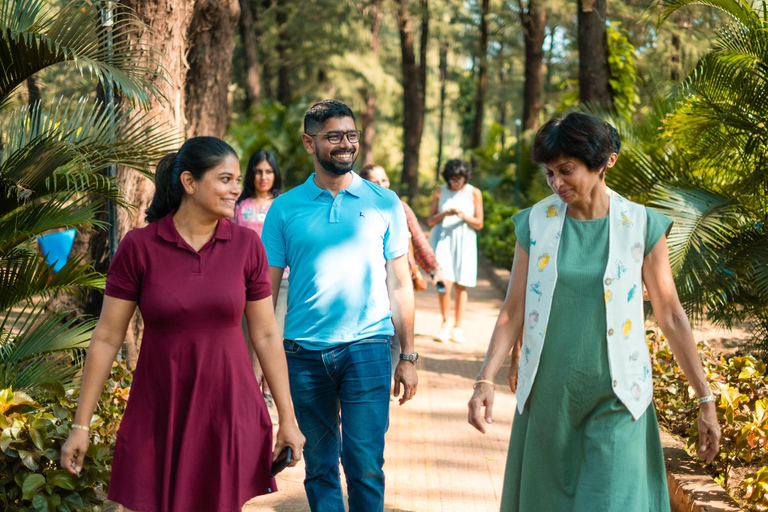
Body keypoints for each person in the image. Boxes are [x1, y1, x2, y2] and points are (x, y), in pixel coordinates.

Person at [468, 113, 721, 512]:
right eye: (550, 173)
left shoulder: (641, 225)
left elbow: (671, 316)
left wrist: (705, 398)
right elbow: (513, 310)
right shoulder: (536, 222)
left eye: (567, 170)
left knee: (613, 501)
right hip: (550, 397)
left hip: (619, 397)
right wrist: (485, 379)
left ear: (606, 162)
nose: (557, 183)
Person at [60, 137, 305, 512]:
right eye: (225, 179)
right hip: (160, 409)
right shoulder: (139, 247)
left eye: (237, 180)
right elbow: (107, 337)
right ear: (189, 182)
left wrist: (287, 418)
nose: (236, 189)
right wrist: (81, 425)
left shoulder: (247, 246)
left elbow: (267, 334)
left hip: (227, 409)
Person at [261, 100, 418, 512]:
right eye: (334, 136)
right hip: (302, 352)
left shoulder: (385, 202)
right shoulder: (284, 208)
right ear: (308, 142)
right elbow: (265, 291)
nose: (346, 145)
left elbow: (400, 282)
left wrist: (410, 355)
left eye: (351, 136)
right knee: (319, 465)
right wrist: (262, 360)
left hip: (368, 347)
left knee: (365, 464)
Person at [358, 163, 445, 376]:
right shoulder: (358, 208)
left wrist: (434, 268)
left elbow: (418, 238)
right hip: (370, 284)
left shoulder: (399, 206)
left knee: (397, 332)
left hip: (399, 280)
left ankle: (388, 380)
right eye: (375, 181)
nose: (382, 184)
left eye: (384, 179)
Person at [233, 149, 287, 406]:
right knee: (250, 338)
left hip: (282, 282)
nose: (263, 177)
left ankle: (272, 394)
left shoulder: (284, 205)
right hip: (245, 285)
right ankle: (251, 394)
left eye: (268, 171)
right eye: (258, 171)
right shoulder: (239, 207)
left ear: (275, 174)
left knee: (275, 335)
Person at [427, 159, 484, 343]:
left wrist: (462, 215)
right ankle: (445, 323)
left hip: (465, 241)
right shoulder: (439, 191)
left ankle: (458, 327)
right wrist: (446, 213)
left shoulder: (474, 192)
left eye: (459, 179)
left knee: (461, 284)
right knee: (444, 282)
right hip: (443, 240)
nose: (455, 183)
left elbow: (479, 223)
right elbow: (430, 221)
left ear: (465, 177)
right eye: (452, 179)